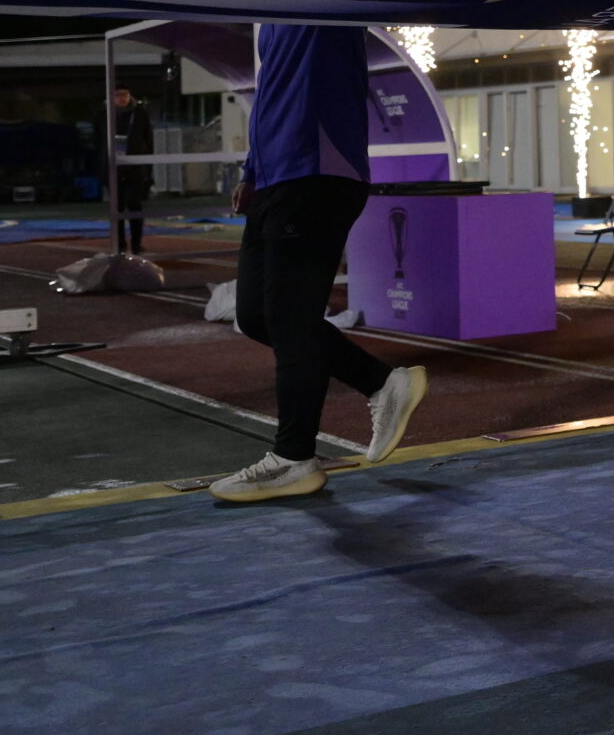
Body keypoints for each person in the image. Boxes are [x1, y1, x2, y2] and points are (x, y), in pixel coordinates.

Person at [208, 25, 426, 503]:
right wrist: (251, 170)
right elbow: (272, 92)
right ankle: (382, 382)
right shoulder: (269, 18)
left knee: (290, 318)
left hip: (316, 172)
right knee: (257, 316)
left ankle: (293, 458)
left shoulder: (319, 6)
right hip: (273, 178)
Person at [111, 84, 154, 254]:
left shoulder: (140, 114)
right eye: (119, 94)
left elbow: (149, 140)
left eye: (125, 94)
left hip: (136, 167)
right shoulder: (105, 115)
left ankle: (136, 244)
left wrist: (148, 166)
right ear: (112, 97)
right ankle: (120, 244)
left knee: (134, 204)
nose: (122, 98)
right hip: (115, 168)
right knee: (117, 207)